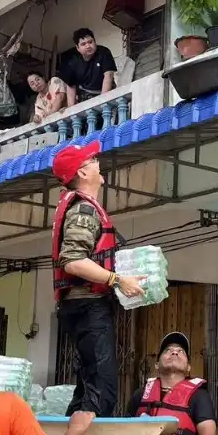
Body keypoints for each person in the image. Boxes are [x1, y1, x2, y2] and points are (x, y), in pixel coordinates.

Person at [50, 140, 145, 417]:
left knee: (89, 383)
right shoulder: (84, 210)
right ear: (81, 172)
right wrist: (118, 280)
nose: (97, 161)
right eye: (91, 159)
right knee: (102, 387)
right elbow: (73, 261)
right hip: (87, 307)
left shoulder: (83, 207)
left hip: (82, 307)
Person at [128, 332, 218, 435]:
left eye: (181, 351)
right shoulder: (140, 394)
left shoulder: (199, 396)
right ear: (156, 364)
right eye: (168, 351)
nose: (174, 352)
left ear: (188, 367)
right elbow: (125, 433)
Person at [58, 28, 117, 108]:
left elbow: (108, 76)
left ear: (95, 42)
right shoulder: (72, 62)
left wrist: (103, 101)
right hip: (85, 97)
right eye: (83, 44)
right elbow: (71, 86)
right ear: (78, 48)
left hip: (106, 92)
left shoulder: (104, 52)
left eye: (90, 42)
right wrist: (71, 110)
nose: (88, 46)